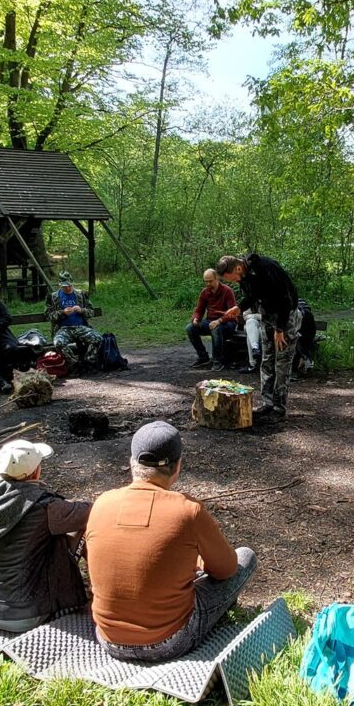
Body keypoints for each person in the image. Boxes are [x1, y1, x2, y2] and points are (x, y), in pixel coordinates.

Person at [85, 421, 257, 661]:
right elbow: (227, 569)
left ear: (132, 463)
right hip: (170, 641)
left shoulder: (102, 502)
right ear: (177, 467)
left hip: (109, 640)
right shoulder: (188, 511)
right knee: (245, 557)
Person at [0, 439, 92, 632]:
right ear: (35, 472)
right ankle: (79, 596)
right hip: (24, 615)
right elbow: (93, 511)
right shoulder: (44, 507)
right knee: (79, 527)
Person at [216, 252, 299, 423]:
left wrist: (280, 328)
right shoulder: (245, 275)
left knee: (282, 362)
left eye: (232, 278)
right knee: (267, 360)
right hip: (267, 317)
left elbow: (286, 299)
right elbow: (253, 295)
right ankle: (267, 404)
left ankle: (279, 409)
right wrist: (239, 307)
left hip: (285, 318)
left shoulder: (267, 268)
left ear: (238, 267)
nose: (234, 282)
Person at [45, 270, 103, 370]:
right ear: (60, 285)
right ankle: (75, 364)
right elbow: (48, 316)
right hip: (63, 329)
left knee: (98, 338)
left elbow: (91, 312)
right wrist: (62, 312)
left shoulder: (81, 294)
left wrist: (81, 310)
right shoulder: (53, 297)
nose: (67, 288)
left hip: (80, 327)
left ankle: (88, 361)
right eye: (64, 286)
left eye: (69, 286)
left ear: (72, 283)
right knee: (58, 343)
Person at [187, 268, 239, 369]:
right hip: (211, 321)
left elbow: (232, 313)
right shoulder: (205, 292)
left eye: (210, 281)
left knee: (216, 329)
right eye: (206, 281)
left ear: (217, 279)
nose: (208, 284)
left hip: (228, 323)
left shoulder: (227, 291)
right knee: (190, 328)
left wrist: (219, 321)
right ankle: (203, 357)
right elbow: (199, 310)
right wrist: (196, 319)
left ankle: (217, 361)